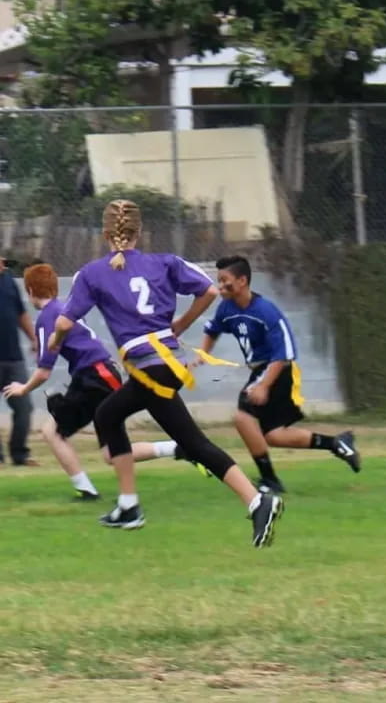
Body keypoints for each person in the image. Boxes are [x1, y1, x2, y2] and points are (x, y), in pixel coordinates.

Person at [49, 199, 283, 548]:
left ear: (104, 233)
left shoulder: (92, 273)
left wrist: (54, 339)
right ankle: (255, 500)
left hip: (148, 368)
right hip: (168, 364)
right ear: (140, 233)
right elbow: (208, 290)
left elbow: (66, 321)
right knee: (192, 443)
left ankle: (130, 507)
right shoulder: (164, 262)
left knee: (106, 415)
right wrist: (180, 325)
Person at [2, 263, 179, 499]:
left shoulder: (47, 317)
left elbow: (44, 371)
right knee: (110, 453)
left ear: (31, 291)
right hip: (101, 373)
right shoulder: (65, 308)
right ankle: (178, 448)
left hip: (95, 375)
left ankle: (85, 489)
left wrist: (23, 388)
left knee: (52, 431)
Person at [198, 255, 360, 494]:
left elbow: (284, 354)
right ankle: (336, 443)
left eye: (225, 281)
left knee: (243, 418)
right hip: (261, 370)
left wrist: (263, 386)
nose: (221, 286)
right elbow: (213, 330)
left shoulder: (266, 311)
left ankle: (270, 480)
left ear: (242, 281)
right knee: (274, 435)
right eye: (218, 281)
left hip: (279, 369)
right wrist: (203, 355)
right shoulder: (227, 308)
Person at [0, 256, 36, 465]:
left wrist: (33, 338)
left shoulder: (8, 280)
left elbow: (21, 313)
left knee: (24, 407)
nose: (3, 263)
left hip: (13, 358)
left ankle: (19, 454)